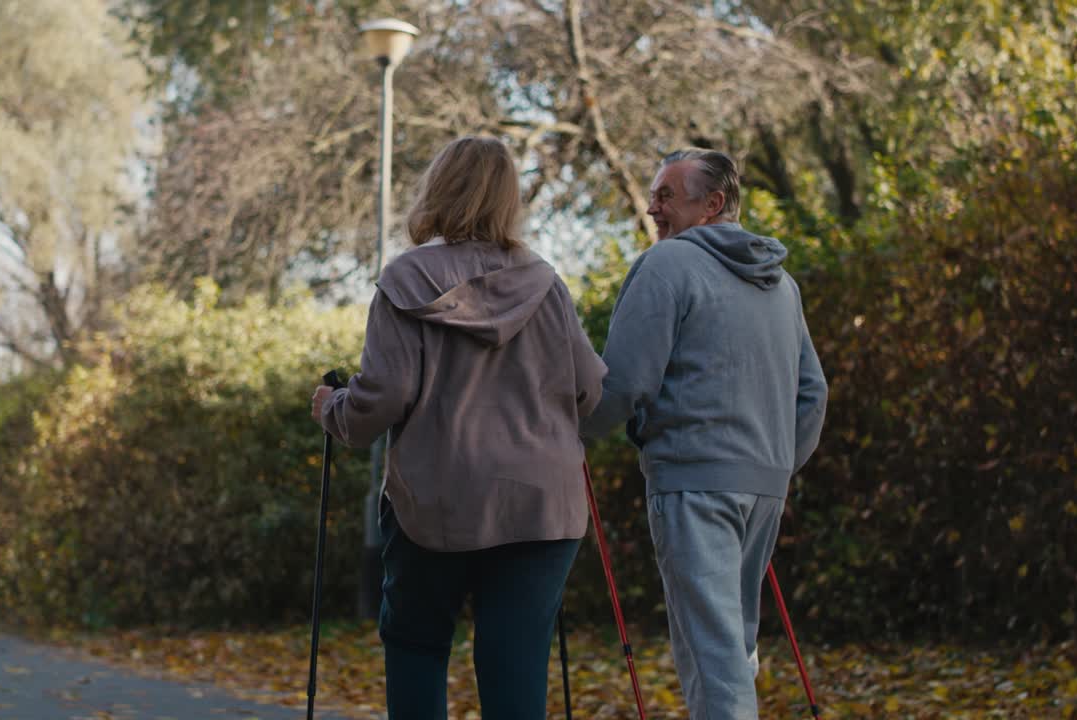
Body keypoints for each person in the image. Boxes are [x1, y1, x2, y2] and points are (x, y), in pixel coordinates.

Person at [311, 136, 606, 720]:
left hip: (437, 501)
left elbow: (384, 397)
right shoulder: (547, 285)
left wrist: (334, 407)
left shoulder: (406, 279)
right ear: (508, 199)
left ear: (437, 190)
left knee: (418, 644)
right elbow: (590, 389)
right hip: (542, 506)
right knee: (516, 659)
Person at [580, 148, 828, 719]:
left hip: (693, 480)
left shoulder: (666, 266)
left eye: (666, 195)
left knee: (713, 652)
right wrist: (777, 464)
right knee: (731, 644)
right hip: (764, 485)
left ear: (712, 203)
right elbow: (812, 392)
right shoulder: (780, 283)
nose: (652, 208)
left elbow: (625, 383)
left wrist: (574, 429)